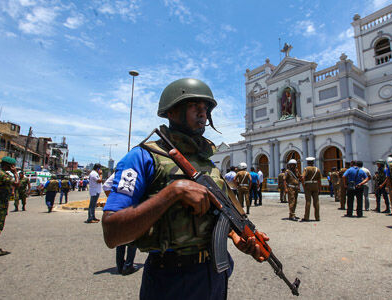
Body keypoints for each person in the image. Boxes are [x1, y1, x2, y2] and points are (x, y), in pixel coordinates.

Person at [101, 78, 268, 299]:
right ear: (171, 112)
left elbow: (218, 213)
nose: (203, 114)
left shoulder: (206, 162)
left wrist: (235, 236)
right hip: (170, 279)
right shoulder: (142, 157)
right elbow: (112, 233)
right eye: (194, 106)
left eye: (206, 108)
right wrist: (173, 192)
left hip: (214, 273)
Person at [103, 173, 137, 275]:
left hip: (119, 208)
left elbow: (106, 186)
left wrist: (113, 200)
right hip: (131, 206)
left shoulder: (119, 172)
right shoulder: (135, 169)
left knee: (121, 237)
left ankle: (120, 265)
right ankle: (128, 265)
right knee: (132, 238)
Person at [301, 157, 322, 221]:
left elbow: (302, 177)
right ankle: (317, 217)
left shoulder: (306, 169)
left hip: (308, 185)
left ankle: (306, 217)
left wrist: (303, 185)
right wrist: (319, 188)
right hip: (315, 185)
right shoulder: (317, 169)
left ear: (307, 162)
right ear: (313, 162)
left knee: (308, 201)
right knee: (316, 202)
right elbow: (319, 180)